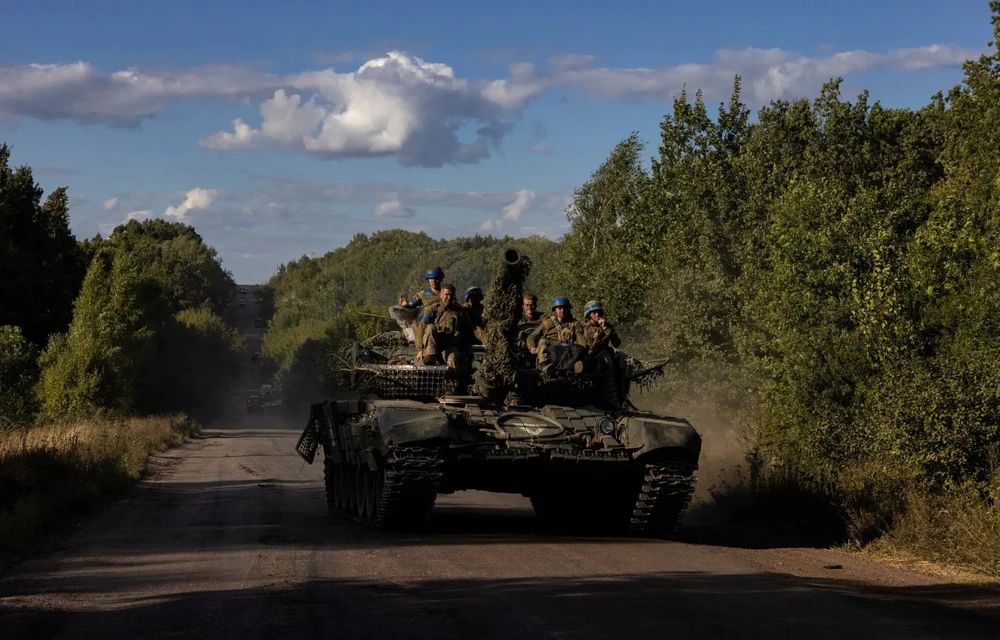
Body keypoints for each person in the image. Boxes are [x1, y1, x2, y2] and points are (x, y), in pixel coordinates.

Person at [415, 284, 475, 369]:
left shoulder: (459, 311)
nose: (449, 298)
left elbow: (468, 329)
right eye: (447, 294)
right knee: (430, 327)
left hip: (449, 346)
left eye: (451, 295)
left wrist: (466, 346)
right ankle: (430, 356)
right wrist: (420, 350)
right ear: (441, 294)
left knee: (452, 361)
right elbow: (422, 327)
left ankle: (452, 377)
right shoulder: (432, 309)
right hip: (433, 345)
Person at [525, 296, 586, 372]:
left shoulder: (575, 323)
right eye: (559, 308)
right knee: (542, 341)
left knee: (578, 348)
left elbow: (580, 337)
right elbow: (532, 335)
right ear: (555, 310)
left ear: (568, 309)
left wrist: (582, 348)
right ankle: (544, 365)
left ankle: (573, 366)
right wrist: (532, 346)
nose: (562, 311)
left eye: (565, 308)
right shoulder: (548, 323)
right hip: (551, 349)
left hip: (567, 349)